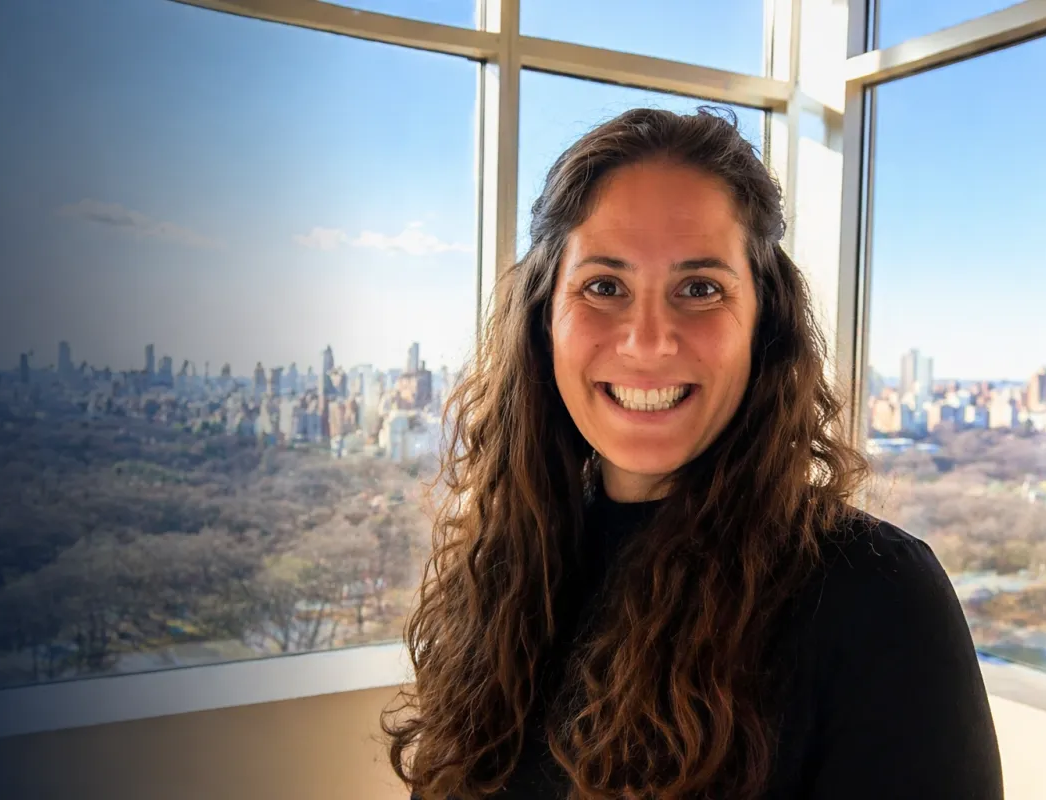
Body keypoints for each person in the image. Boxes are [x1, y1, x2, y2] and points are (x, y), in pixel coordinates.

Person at [382, 107, 1002, 800]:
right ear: (543, 319)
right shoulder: (504, 569)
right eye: (604, 286)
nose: (648, 342)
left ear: (765, 323)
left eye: (700, 289)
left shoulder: (877, 596)